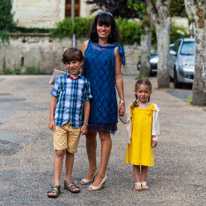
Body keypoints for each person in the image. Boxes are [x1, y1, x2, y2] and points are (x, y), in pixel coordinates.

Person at [81, 11, 125, 191]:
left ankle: (101, 173)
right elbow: (80, 70)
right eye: (100, 24)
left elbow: (118, 76)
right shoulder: (86, 45)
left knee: (104, 135)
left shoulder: (116, 49)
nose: (103, 28)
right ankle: (92, 169)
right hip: (88, 97)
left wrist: (122, 100)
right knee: (89, 133)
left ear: (111, 28)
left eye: (107, 25)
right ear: (96, 26)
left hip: (106, 97)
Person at [47, 48, 92, 198]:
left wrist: (85, 123)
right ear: (65, 64)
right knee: (60, 151)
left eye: (74, 62)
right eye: (68, 63)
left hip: (76, 124)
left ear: (80, 63)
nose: (72, 65)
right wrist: (51, 119)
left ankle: (68, 181)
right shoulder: (60, 80)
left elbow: (86, 103)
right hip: (60, 121)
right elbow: (54, 99)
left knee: (71, 152)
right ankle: (56, 183)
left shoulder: (84, 82)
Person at [119, 78, 160, 191]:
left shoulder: (153, 108)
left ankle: (144, 181)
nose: (143, 94)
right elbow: (125, 120)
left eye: (146, 92)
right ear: (135, 92)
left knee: (145, 160)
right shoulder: (132, 107)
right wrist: (121, 114)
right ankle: (137, 181)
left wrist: (155, 137)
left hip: (147, 139)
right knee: (136, 160)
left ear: (150, 92)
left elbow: (156, 124)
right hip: (135, 139)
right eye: (140, 91)